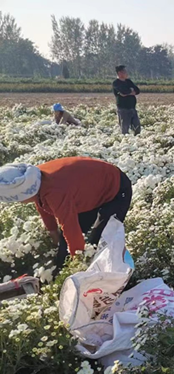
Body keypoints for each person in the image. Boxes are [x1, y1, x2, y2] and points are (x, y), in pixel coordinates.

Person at [0, 157, 132, 273]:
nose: (18, 202)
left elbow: (71, 228)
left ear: (22, 193)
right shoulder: (34, 180)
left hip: (115, 188)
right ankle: (61, 275)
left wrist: (78, 264)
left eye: (15, 199)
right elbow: (42, 205)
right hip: (89, 191)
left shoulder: (55, 190)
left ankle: (102, 279)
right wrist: (54, 234)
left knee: (100, 241)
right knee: (66, 244)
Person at [112, 65, 141, 135]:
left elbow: (137, 90)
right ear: (119, 73)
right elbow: (123, 92)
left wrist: (129, 92)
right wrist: (131, 91)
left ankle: (136, 140)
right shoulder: (116, 83)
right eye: (124, 72)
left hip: (132, 108)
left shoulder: (128, 81)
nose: (126, 73)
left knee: (137, 128)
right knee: (125, 129)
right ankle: (125, 141)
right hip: (123, 109)